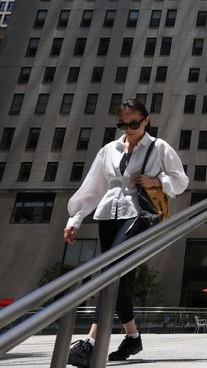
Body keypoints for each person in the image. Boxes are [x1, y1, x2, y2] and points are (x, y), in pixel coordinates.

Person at [64, 99, 189, 367]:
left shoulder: (159, 147)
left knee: (109, 273)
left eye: (134, 123)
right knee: (119, 279)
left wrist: (156, 181)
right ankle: (132, 337)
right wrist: (75, 217)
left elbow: (180, 181)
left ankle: (91, 341)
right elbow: (94, 188)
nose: (129, 128)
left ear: (146, 120)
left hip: (140, 215)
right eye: (123, 123)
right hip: (108, 215)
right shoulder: (109, 150)